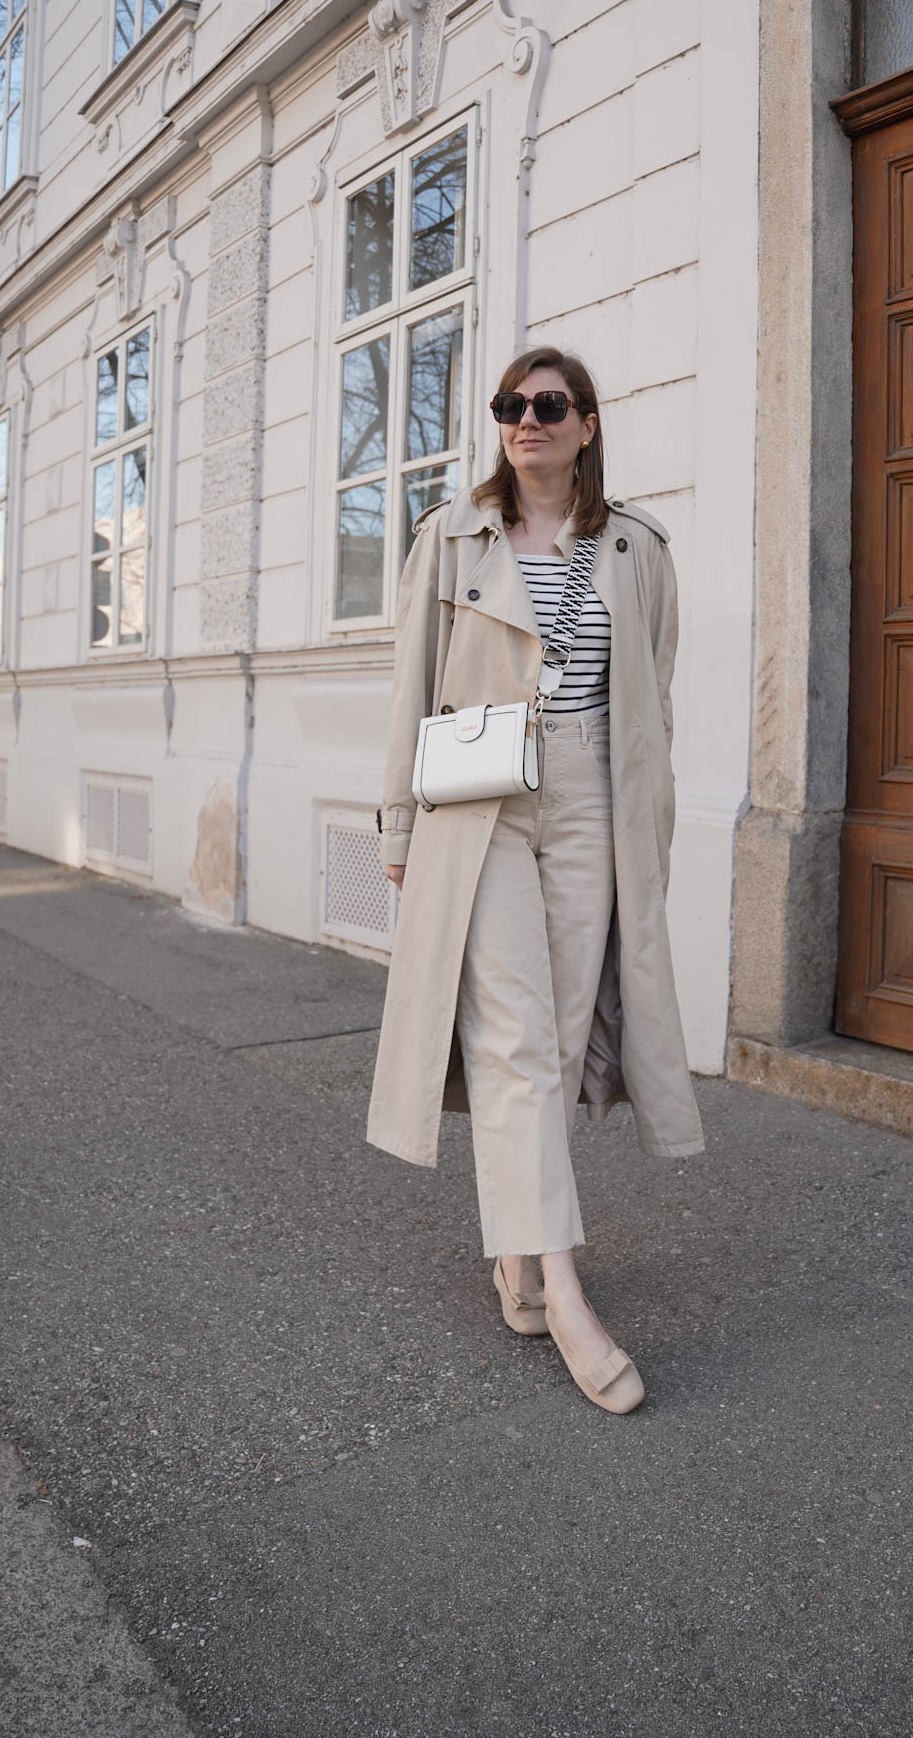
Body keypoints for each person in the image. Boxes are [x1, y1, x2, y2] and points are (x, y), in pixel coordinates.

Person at [368, 346, 704, 1414]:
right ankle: (563, 1285)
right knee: (513, 1030)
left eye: (549, 405)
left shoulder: (637, 548)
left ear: (587, 424)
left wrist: (648, 832)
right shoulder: (452, 537)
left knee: (556, 1037)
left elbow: (653, 703)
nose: (527, 420)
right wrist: (395, 821)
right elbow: (408, 685)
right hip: (480, 800)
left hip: (591, 790)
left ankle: (517, 1250)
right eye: (511, 405)